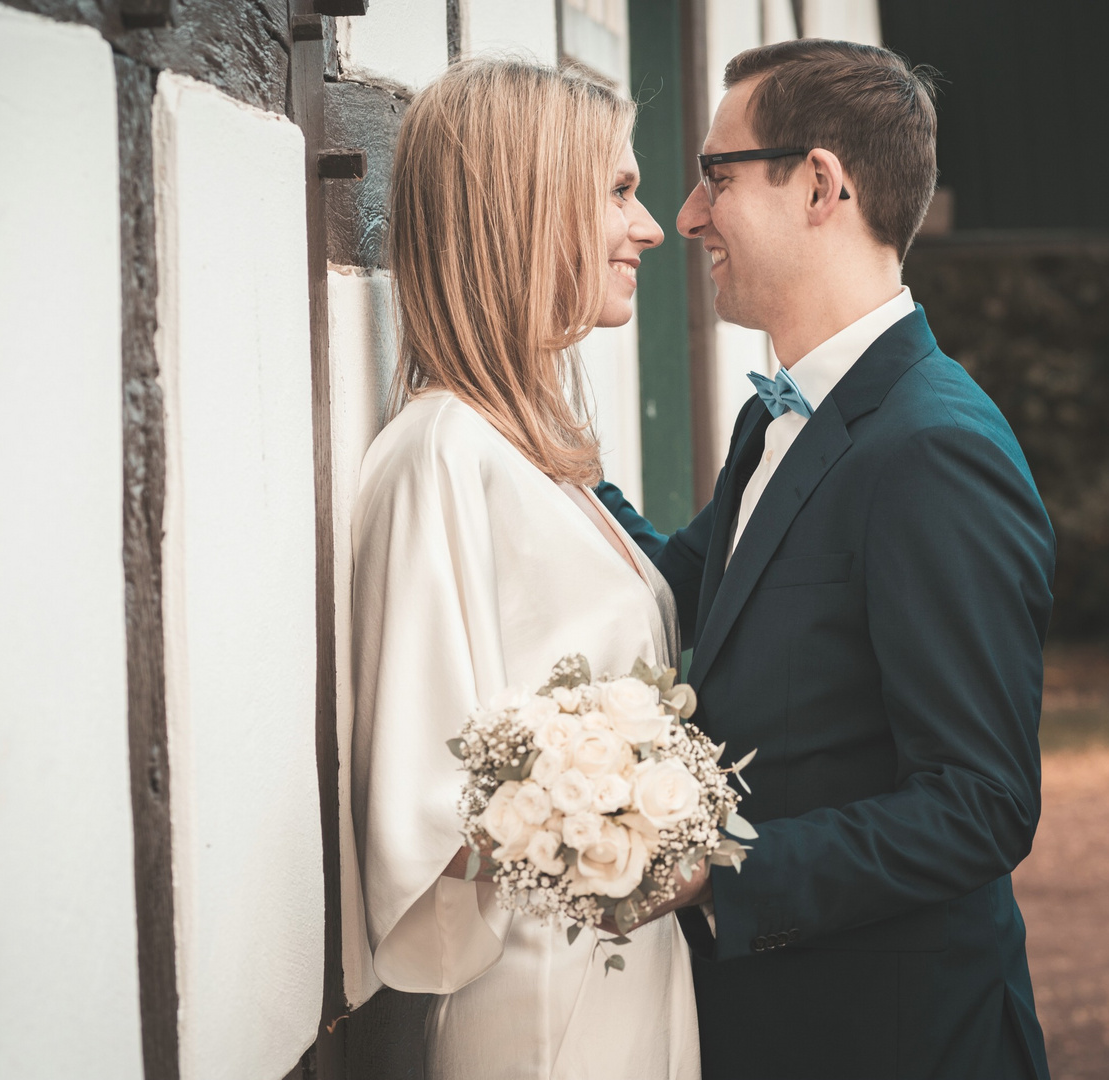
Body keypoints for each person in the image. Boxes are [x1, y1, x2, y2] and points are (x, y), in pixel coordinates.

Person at [595, 39, 1056, 1080]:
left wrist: (709, 872)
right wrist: (549, 457)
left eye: (715, 175)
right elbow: (687, 587)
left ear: (818, 185)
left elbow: (978, 804)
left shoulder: (934, 451)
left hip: (895, 1039)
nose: (687, 216)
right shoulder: (778, 423)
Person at [348, 59, 702, 1079]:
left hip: (630, 966)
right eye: (620, 192)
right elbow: (422, 799)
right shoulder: (440, 457)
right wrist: (613, 821)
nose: (648, 230)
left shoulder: (536, 457)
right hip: (545, 1000)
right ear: (526, 206)